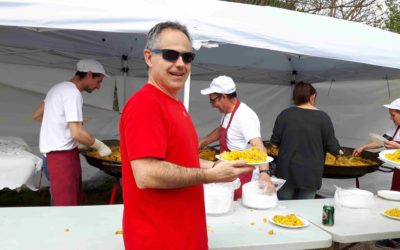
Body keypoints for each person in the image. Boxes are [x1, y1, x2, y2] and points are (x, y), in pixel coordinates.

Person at [119, 21, 253, 250]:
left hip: (185, 235)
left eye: (187, 57)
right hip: (160, 240)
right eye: (170, 55)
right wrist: (209, 176)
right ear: (149, 57)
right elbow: (147, 174)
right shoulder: (145, 104)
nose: (180, 64)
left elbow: (180, 158)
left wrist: (216, 166)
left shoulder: (174, 104)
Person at [36, 59, 112, 206]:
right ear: (89, 74)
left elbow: (37, 115)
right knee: (66, 208)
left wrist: (66, 121)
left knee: (61, 201)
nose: (99, 87)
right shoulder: (73, 93)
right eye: (99, 81)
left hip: (52, 157)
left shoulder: (57, 88)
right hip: (61, 158)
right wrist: (99, 146)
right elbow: (77, 133)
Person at [199, 75, 275, 200]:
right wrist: (202, 142)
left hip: (244, 176)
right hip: (229, 171)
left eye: (213, 100)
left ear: (223, 97)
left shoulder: (244, 115)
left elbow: (258, 145)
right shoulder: (227, 113)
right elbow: (221, 130)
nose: (212, 105)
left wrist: (264, 173)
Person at [270, 81, 341, 200]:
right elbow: (333, 147)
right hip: (310, 173)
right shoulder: (323, 117)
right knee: (305, 208)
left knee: (284, 208)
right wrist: (338, 153)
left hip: (286, 171)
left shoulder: (285, 115)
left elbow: (274, 144)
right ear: (312, 97)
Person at [352, 98, 400, 249]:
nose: (390, 118)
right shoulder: (395, 129)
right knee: (396, 202)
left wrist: (398, 147)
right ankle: (396, 236)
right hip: (398, 172)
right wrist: (364, 147)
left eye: (393, 115)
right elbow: (382, 141)